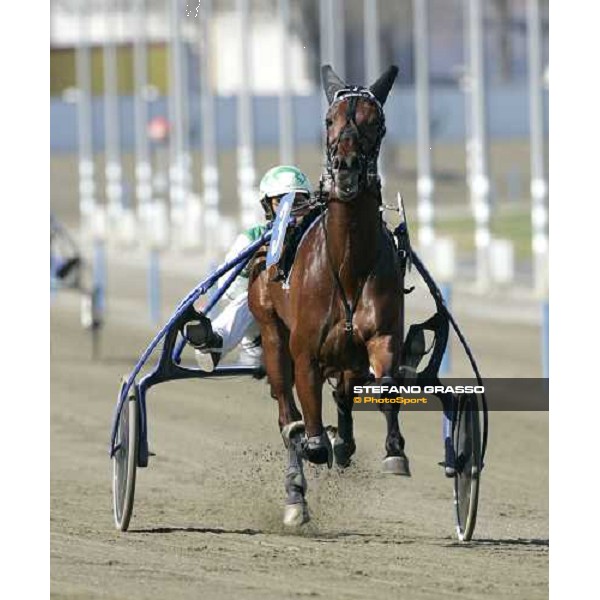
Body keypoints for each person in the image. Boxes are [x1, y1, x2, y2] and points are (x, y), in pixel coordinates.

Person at [183, 165, 313, 372]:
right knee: (252, 298)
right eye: (282, 201)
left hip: (310, 328)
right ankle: (214, 344)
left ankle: (375, 389)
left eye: (298, 201)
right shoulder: (251, 239)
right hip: (261, 336)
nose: (291, 209)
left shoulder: (317, 240)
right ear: (268, 206)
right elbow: (230, 288)